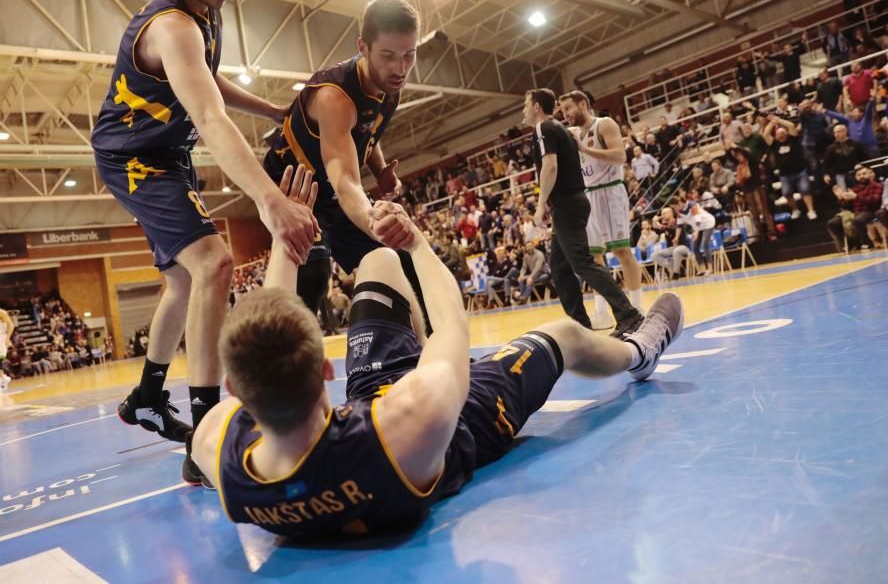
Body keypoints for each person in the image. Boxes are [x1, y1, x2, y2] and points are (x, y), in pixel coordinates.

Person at [190, 167, 684, 537]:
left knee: (377, 261)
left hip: (371, 404)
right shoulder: (415, 416)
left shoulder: (218, 452)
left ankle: (421, 341)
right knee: (565, 334)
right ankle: (641, 350)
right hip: (460, 418)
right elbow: (453, 320)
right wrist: (416, 242)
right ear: (324, 369)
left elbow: (258, 347)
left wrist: (284, 242)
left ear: (235, 393)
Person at [88, 0, 319, 486]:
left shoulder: (204, 14)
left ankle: (146, 394)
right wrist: (269, 202)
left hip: (163, 154)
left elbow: (210, 83)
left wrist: (274, 111)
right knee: (214, 263)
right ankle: (201, 438)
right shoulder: (173, 26)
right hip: (136, 159)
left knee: (186, 281)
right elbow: (209, 114)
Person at [262, 0, 425, 317]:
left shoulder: (388, 84)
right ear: (362, 47)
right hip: (294, 185)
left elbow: (364, 132)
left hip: (331, 187)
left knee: (403, 259)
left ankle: (429, 352)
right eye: (389, 56)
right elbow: (346, 180)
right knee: (312, 273)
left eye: (410, 55)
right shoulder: (334, 98)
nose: (400, 68)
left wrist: (379, 170)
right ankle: (279, 362)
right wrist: (374, 220)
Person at [525, 89, 643, 337]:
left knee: (587, 261)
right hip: (580, 197)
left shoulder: (545, 128)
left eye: (526, 105)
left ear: (536, 107)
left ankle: (630, 313)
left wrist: (540, 204)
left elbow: (550, 167)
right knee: (560, 266)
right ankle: (582, 325)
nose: (523, 110)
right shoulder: (565, 131)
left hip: (583, 199)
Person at [559, 90, 644, 328]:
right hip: (588, 195)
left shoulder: (604, 124)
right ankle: (602, 311)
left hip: (610, 190)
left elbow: (619, 156)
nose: (565, 114)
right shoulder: (574, 133)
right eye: (562, 111)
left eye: (568, 108)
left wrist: (585, 150)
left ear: (583, 104)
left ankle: (637, 306)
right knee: (593, 257)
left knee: (622, 252)